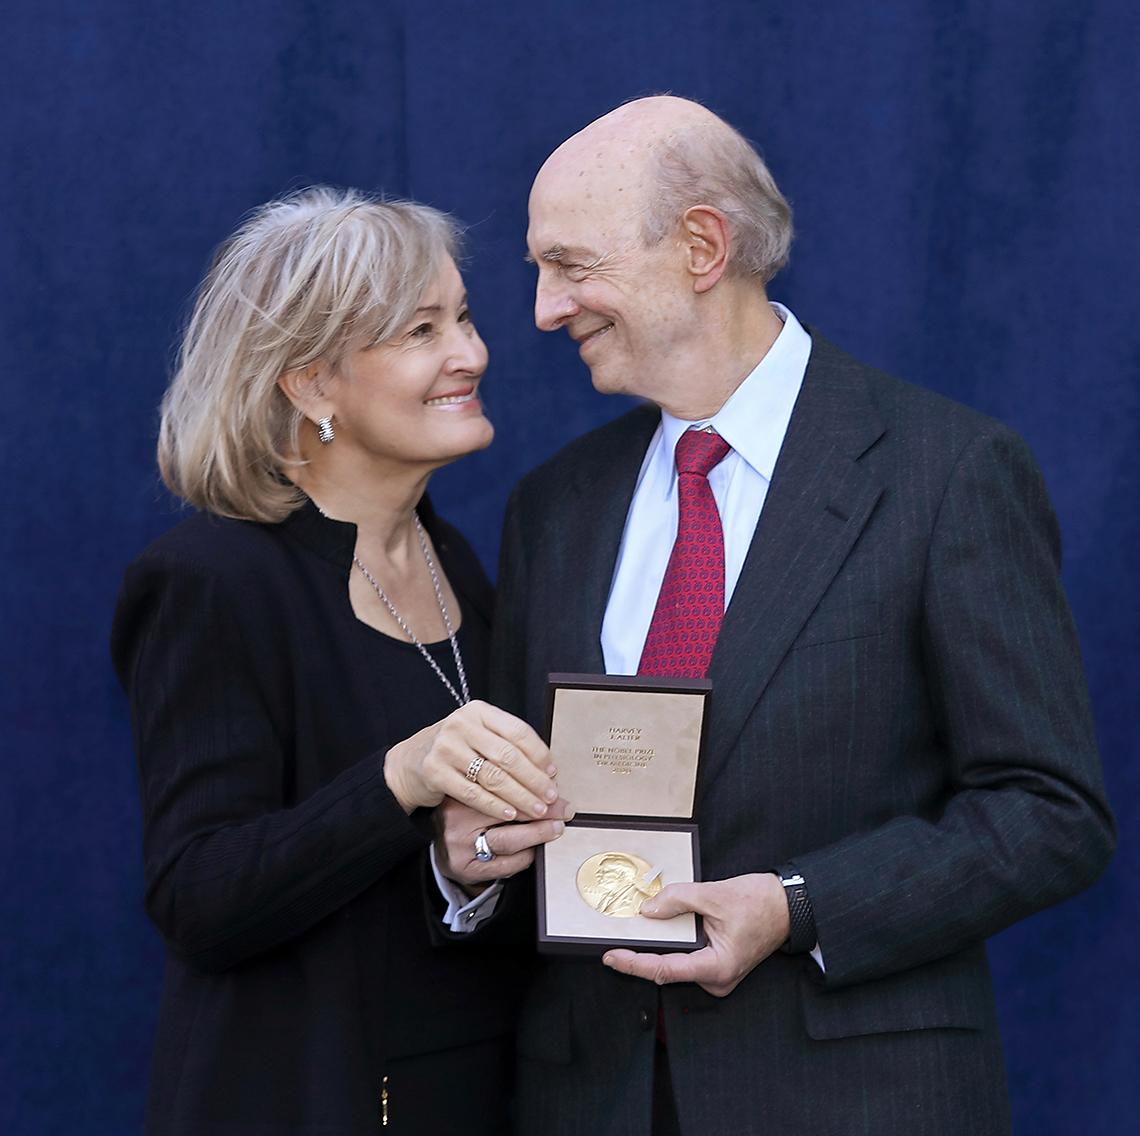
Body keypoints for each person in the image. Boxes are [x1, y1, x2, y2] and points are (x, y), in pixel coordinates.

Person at [441, 96, 1116, 1135]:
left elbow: (1049, 811)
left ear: (702, 245)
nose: (540, 308)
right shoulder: (553, 506)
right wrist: (473, 859)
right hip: (593, 1096)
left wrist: (799, 903)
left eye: (570, 265)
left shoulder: (947, 473)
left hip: (856, 1098)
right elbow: (521, 806)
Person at [111, 187, 568, 1136]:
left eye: (466, 317)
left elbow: (434, 883)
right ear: (310, 383)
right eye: (420, 330)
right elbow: (199, 894)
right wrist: (398, 779)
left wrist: (468, 868)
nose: (471, 354)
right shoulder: (212, 581)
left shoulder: (463, 569)